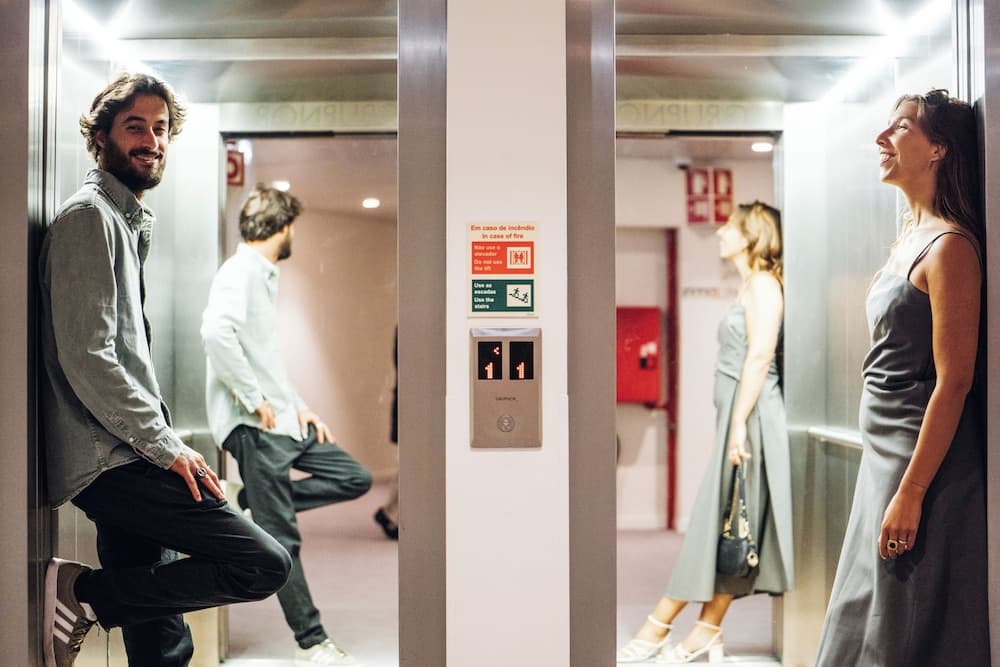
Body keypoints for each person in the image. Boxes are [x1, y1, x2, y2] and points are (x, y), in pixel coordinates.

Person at [38, 72, 291, 667]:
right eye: (136, 127)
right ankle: (85, 594)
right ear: (101, 136)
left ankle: (94, 597)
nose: (151, 141)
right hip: (112, 459)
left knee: (160, 637)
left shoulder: (123, 223)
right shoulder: (89, 219)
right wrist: (167, 446)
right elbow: (90, 357)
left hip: (127, 450)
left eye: (160, 129)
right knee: (261, 564)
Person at [815, 90, 988, 665]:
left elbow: (954, 381)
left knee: (896, 622)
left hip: (919, 462)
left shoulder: (950, 247)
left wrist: (911, 493)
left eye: (901, 127)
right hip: (884, 454)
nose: (881, 138)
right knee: (863, 614)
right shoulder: (909, 239)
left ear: (938, 148)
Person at [201, 184, 373, 666]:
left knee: (355, 478)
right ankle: (312, 642)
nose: (293, 234)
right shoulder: (239, 272)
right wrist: (254, 399)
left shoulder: (264, 276)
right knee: (284, 539)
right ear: (281, 227)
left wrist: (300, 407)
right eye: (292, 226)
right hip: (256, 429)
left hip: (284, 424)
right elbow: (215, 333)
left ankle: (251, 503)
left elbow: (267, 360)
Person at [617, 202, 793, 664]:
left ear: (752, 235)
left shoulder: (764, 284)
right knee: (728, 522)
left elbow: (761, 355)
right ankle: (706, 630)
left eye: (730, 227)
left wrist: (738, 425)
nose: (720, 233)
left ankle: (659, 624)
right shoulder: (750, 285)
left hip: (752, 418)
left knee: (720, 522)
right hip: (740, 416)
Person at [374, 327, 399, 540]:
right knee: (407, 469)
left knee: (405, 469)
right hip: (409, 411)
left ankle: (390, 514)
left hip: (408, 408)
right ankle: (390, 515)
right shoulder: (406, 329)